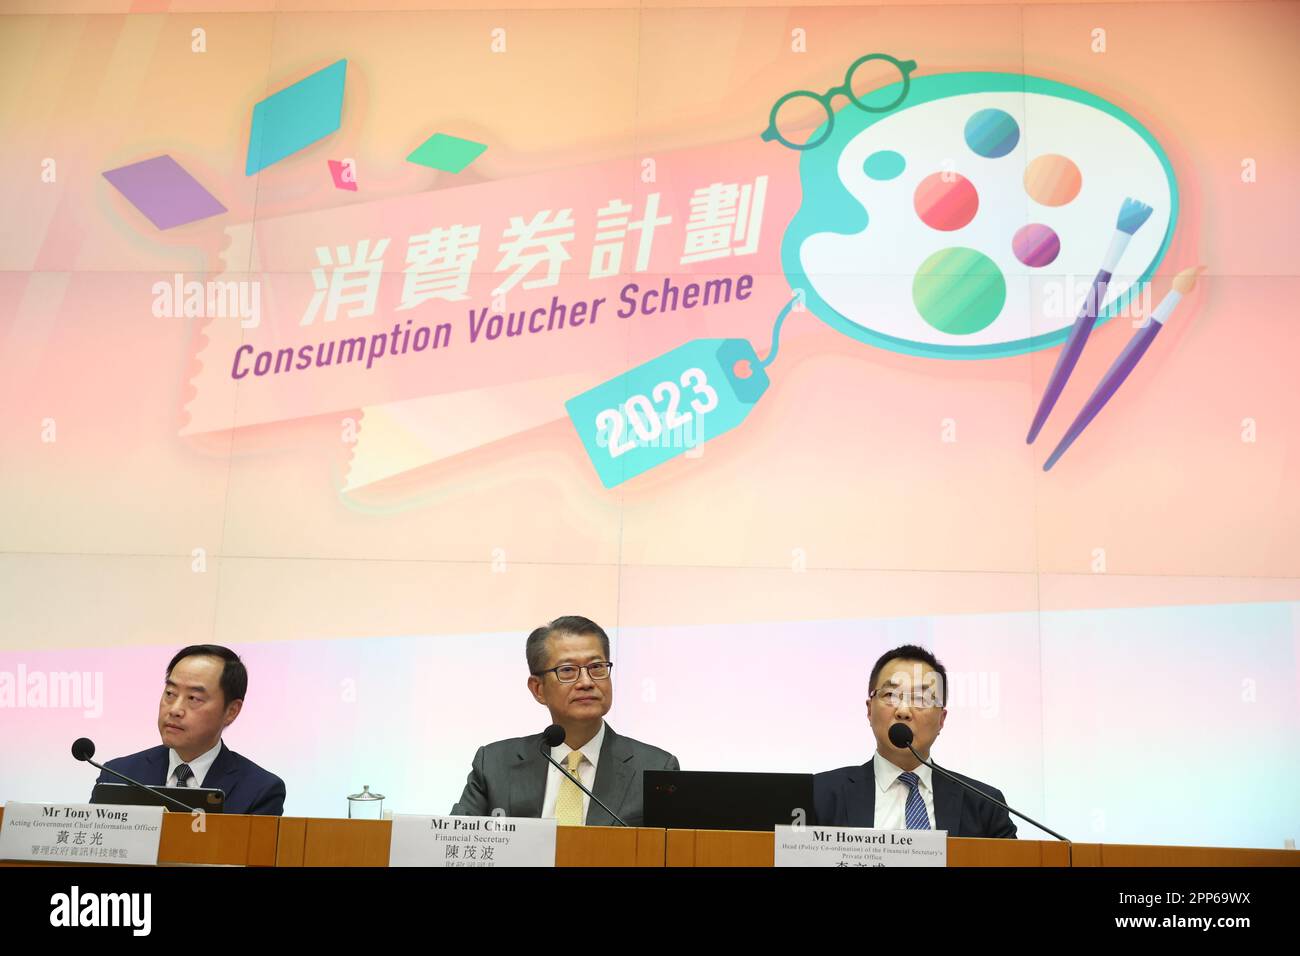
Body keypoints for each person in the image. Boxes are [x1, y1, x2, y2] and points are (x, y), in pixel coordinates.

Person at [451, 616, 678, 826]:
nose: (586, 682)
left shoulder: (655, 768)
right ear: (538, 689)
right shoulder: (494, 765)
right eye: (568, 670)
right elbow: (454, 845)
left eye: (597, 667)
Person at [814, 644, 1016, 837]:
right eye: (891, 695)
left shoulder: (985, 806)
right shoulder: (819, 796)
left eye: (921, 699)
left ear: (941, 719)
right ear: (869, 709)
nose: (903, 711)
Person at [92, 644, 285, 815]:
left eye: (194, 698)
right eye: (170, 693)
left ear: (231, 711)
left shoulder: (260, 790)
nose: (175, 709)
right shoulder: (118, 775)